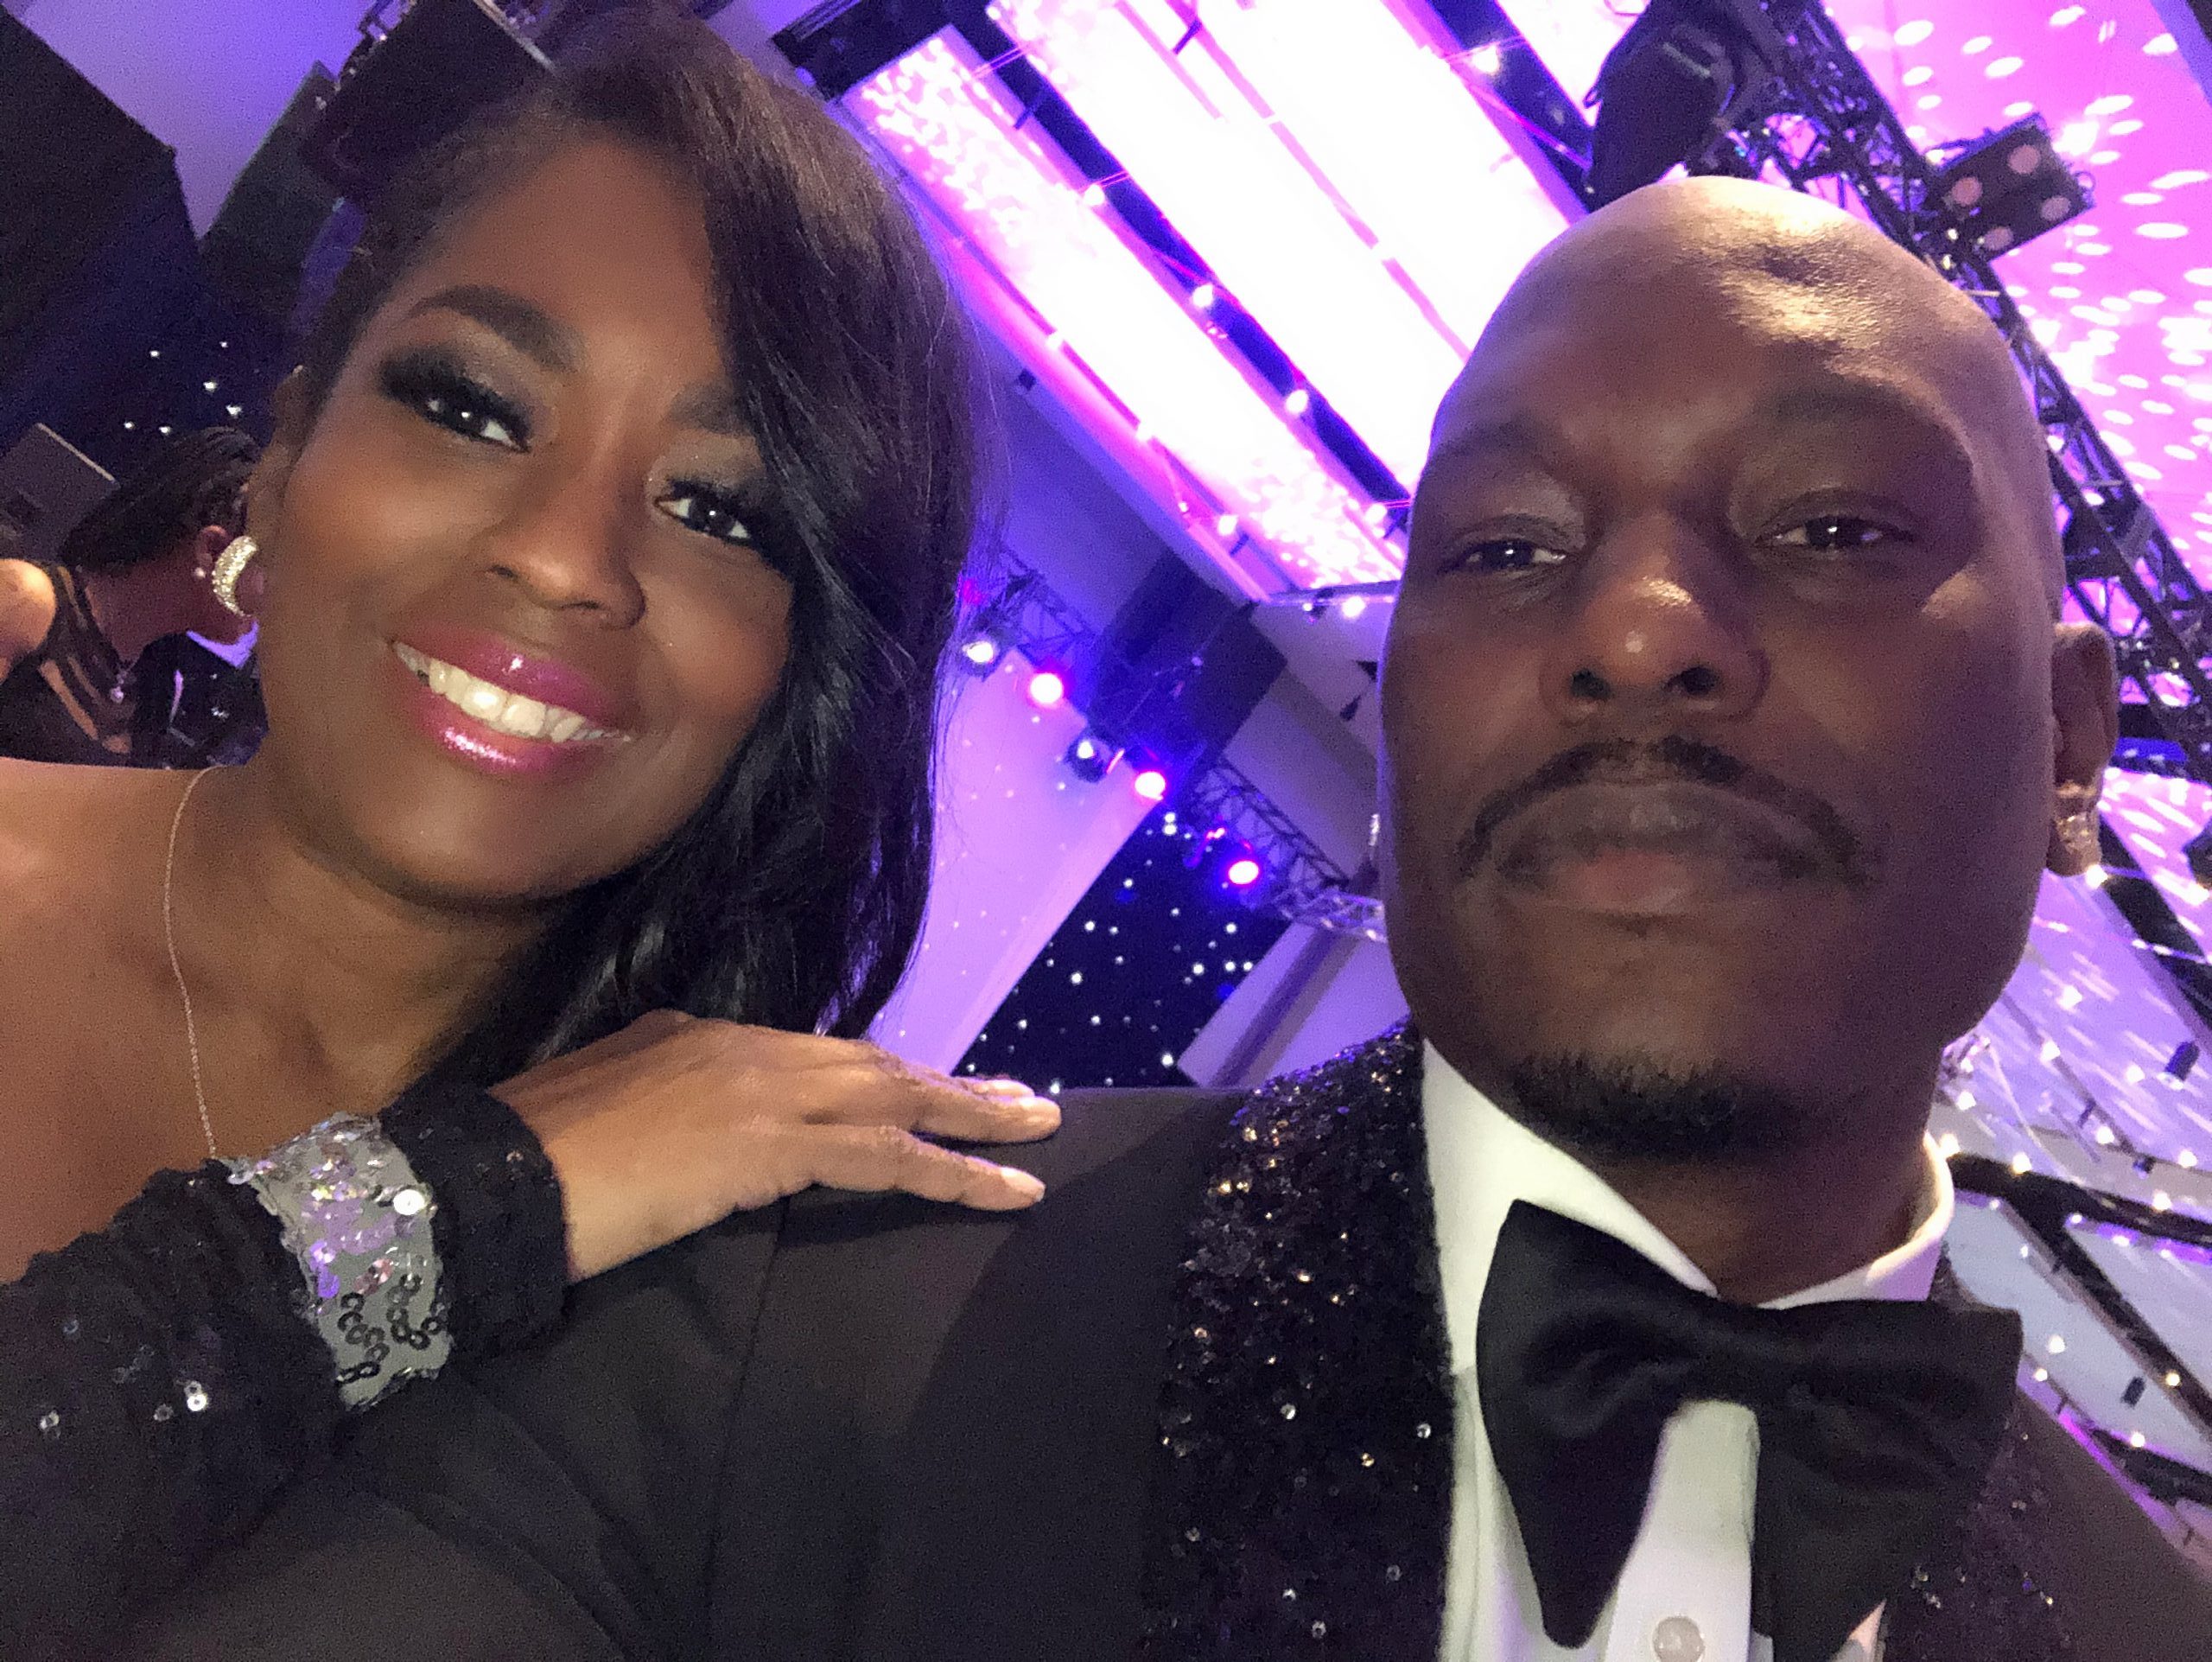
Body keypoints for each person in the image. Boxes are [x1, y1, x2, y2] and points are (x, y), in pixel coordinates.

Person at [111, 181, 2212, 1660]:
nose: (1637, 623)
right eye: (1501, 544)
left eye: (1830, 523)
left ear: (2065, 740)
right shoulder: (772, 1337)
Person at [0, 16, 1065, 1659]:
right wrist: (465, 1206)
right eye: (472, 404)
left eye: (722, 509)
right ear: (281, 461)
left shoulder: (719, 1314)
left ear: (798, 676)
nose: (569, 558)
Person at [0, 427, 259, 766]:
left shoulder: (161, 692)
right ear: (212, 550)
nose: (277, 601)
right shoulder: (24, 597)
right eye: (271, 567)